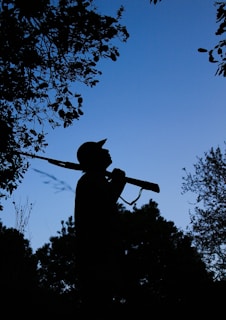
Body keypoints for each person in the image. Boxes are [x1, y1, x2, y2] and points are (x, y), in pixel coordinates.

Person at [74, 139, 126, 317]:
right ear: (94, 157)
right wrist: (118, 182)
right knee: (98, 306)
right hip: (97, 258)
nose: (107, 151)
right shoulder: (90, 180)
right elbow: (105, 201)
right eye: (101, 150)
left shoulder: (95, 179)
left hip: (101, 256)